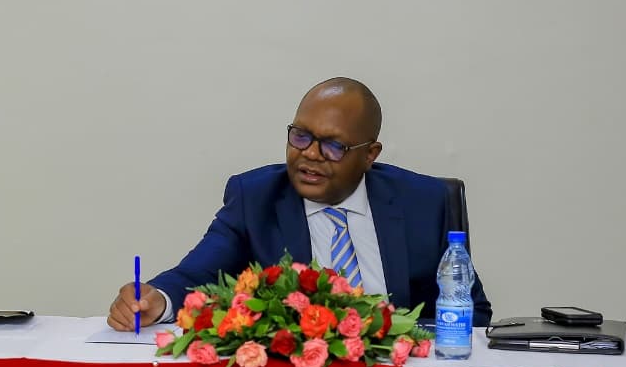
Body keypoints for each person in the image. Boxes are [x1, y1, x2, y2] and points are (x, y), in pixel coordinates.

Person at [108, 77, 493, 329]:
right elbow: (195, 274)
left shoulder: (423, 202)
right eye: (301, 137)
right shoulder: (255, 197)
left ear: (370, 154)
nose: (310, 154)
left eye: (333, 145)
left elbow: (471, 312)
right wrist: (154, 299)